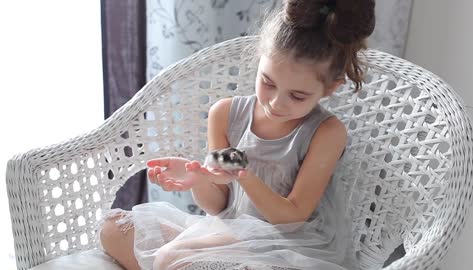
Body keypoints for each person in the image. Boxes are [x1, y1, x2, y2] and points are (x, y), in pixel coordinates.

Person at [99, 0, 375, 269]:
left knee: (171, 257)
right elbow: (218, 206)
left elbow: (291, 217)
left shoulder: (326, 132)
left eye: (297, 96)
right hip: (229, 233)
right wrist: (200, 179)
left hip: (287, 247)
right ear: (259, 61)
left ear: (331, 88)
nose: (276, 103)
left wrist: (245, 174)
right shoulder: (225, 114)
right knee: (113, 230)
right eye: (268, 82)